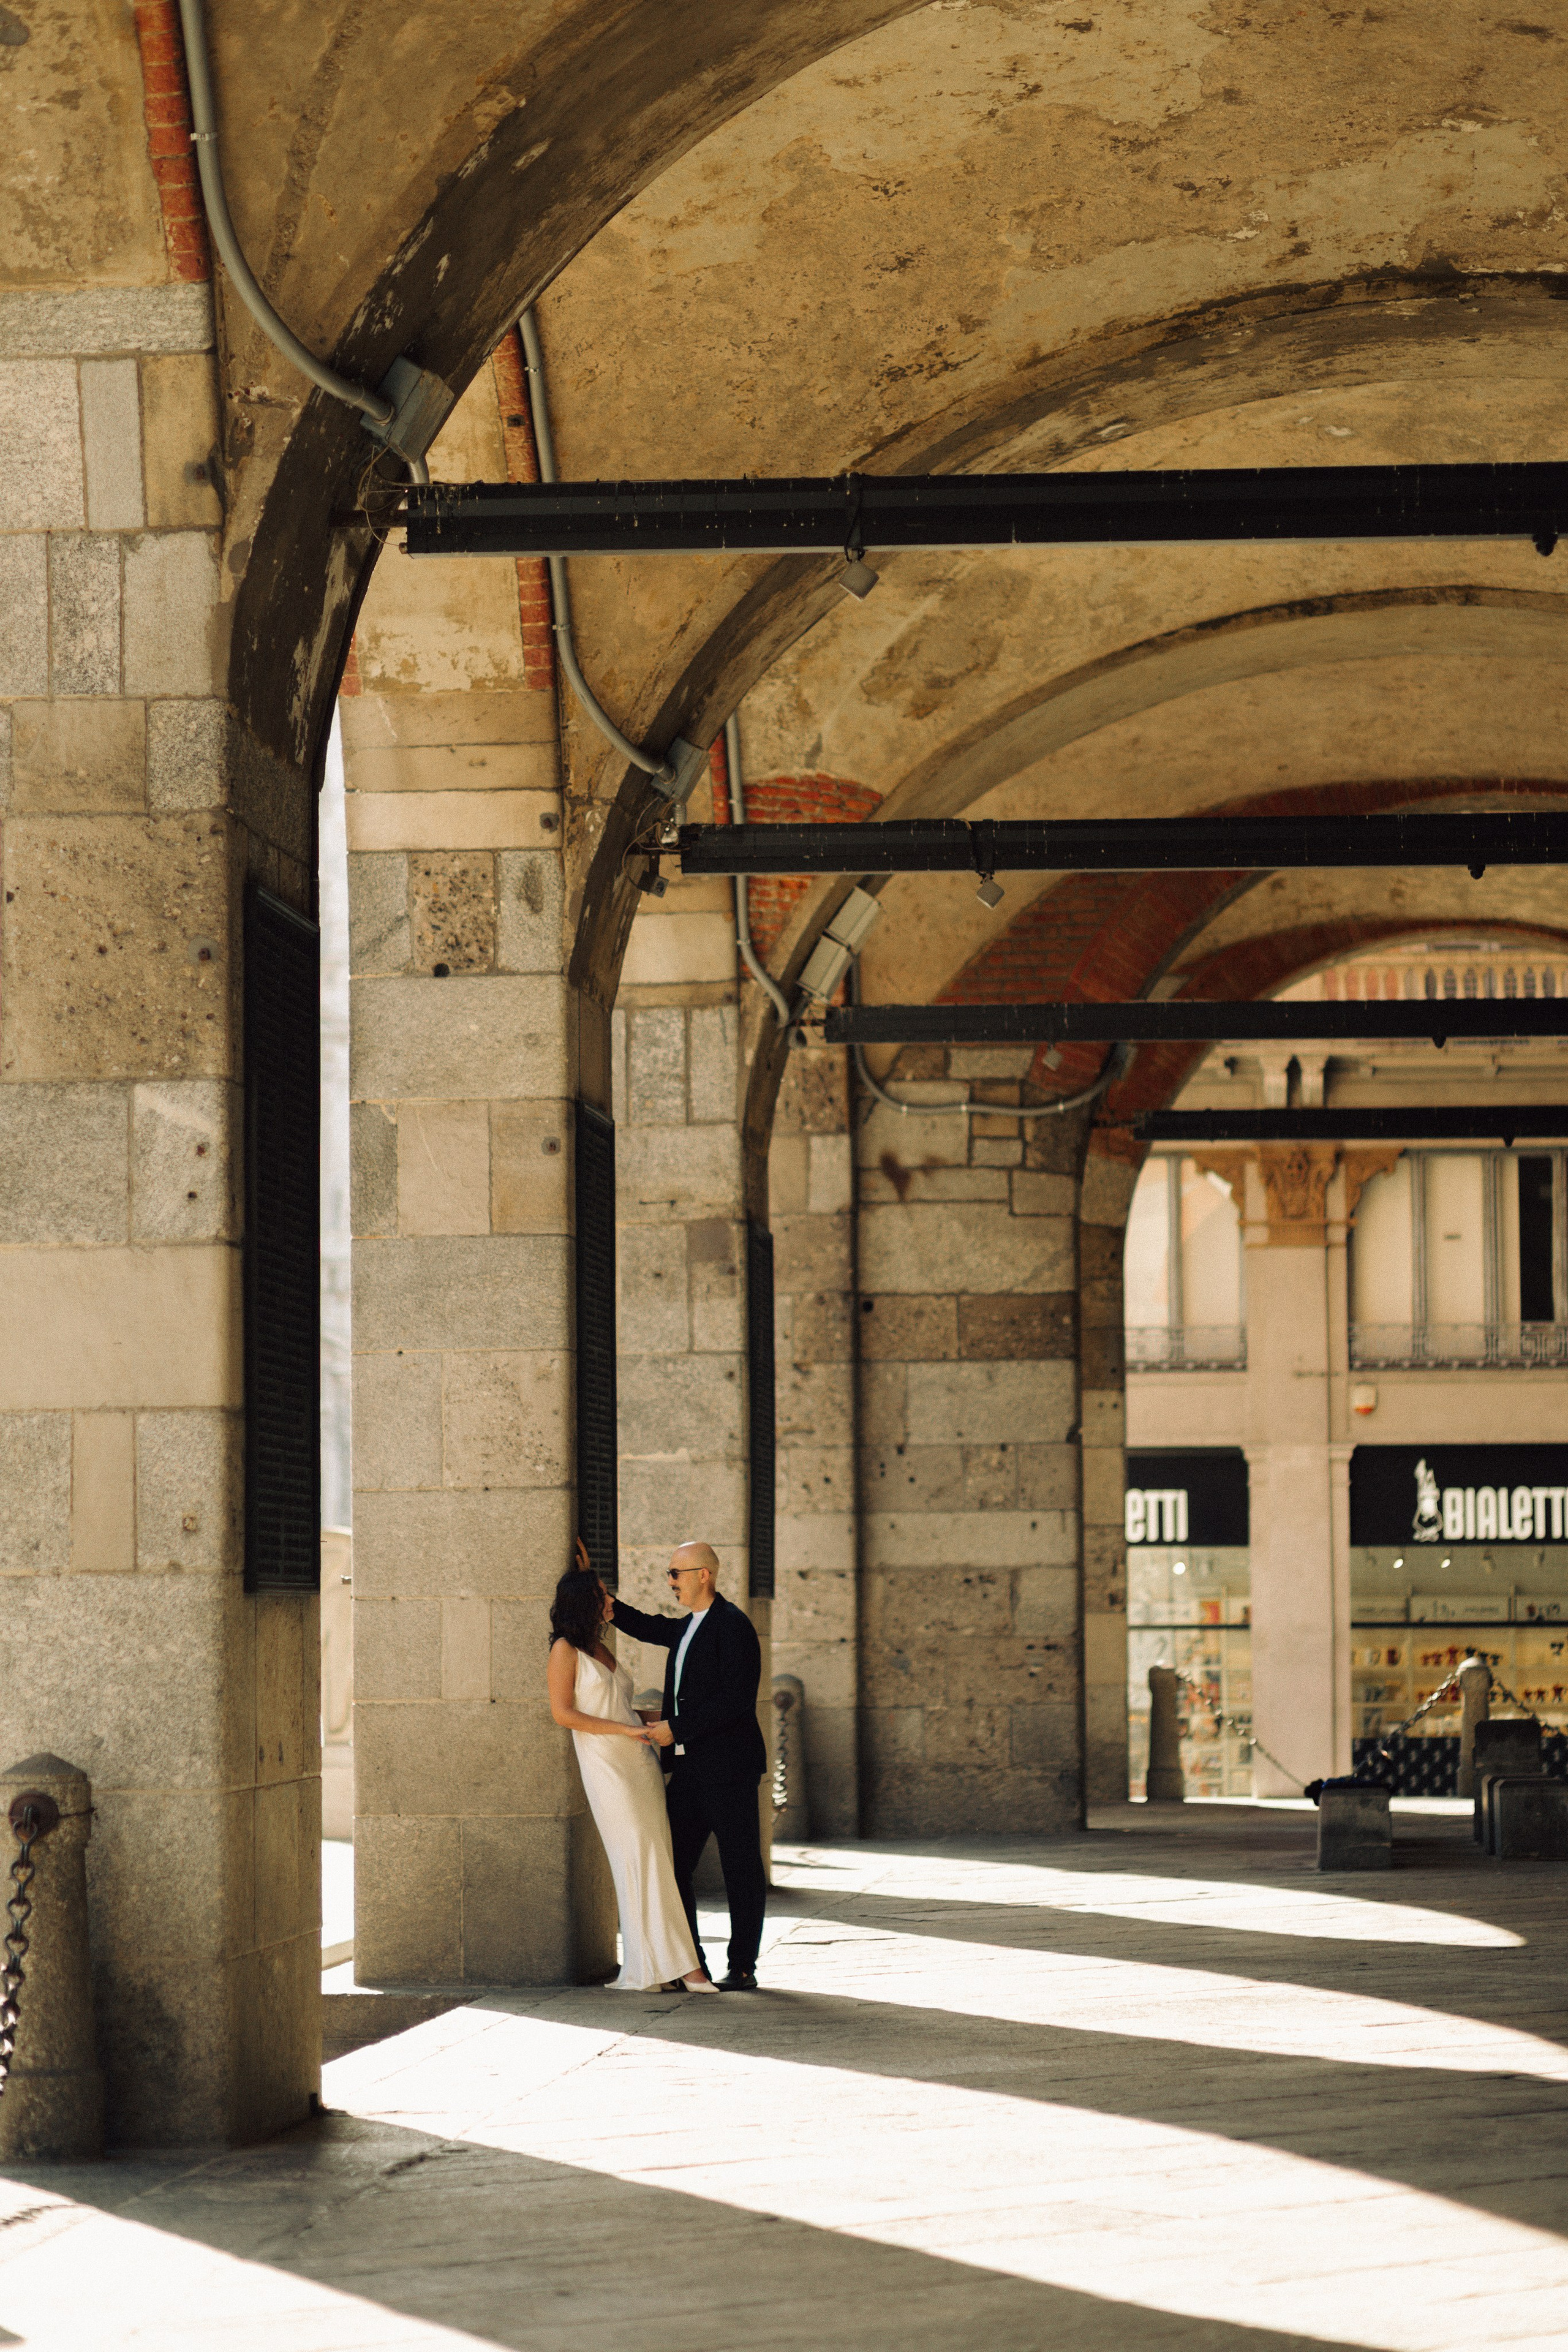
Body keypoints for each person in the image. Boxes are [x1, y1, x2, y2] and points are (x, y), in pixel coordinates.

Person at [546, 1549, 718, 1994]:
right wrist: (624, 1729)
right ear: (585, 1604)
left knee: (656, 1859)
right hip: (608, 1768)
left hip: (639, 1762)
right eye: (603, 1596)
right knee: (638, 1861)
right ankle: (685, 1968)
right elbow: (563, 1714)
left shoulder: (599, 1646)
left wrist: (669, 1719)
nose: (611, 1603)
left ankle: (656, 1968)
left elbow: (621, 1706)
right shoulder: (564, 1650)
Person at [611, 1540, 767, 1991]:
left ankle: (742, 1966)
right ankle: (689, 1962)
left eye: (676, 1573)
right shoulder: (689, 1628)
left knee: (741, 1867)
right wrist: (607, 1605)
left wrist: (675, 1729)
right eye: (669, 1573)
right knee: (673, 1864)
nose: (670, 1581)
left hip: (729, 1769)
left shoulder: (733, 1626)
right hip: (691, 1770)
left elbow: (735, 1702)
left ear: (704, 1575)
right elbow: (652, 1628)